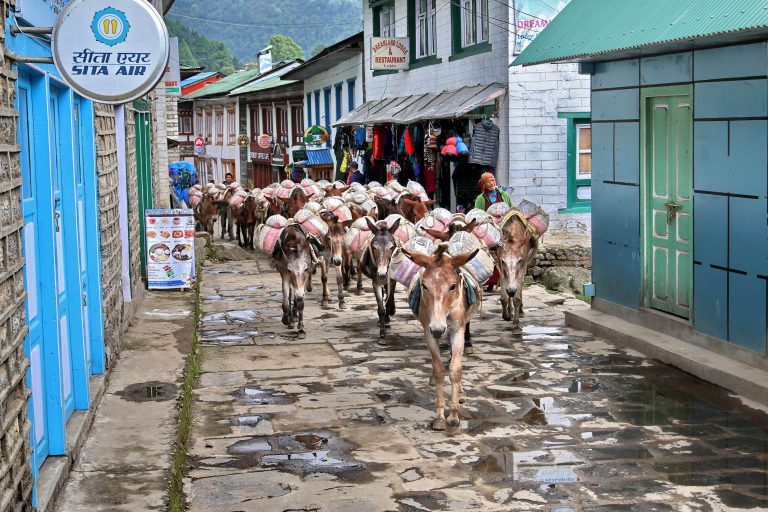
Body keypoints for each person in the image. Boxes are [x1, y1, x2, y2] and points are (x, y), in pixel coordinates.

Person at [474, 172, 513, 292]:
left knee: (505, 254)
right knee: (491, 255)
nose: (492, 183)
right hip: (489, 231)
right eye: (489, 181)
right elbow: (478, 214)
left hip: (504, 229)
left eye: (493, 180)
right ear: (484, 184)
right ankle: (490, 282)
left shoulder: (504, 195)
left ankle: (505, 280)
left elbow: (510, 209)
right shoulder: (480, 199)